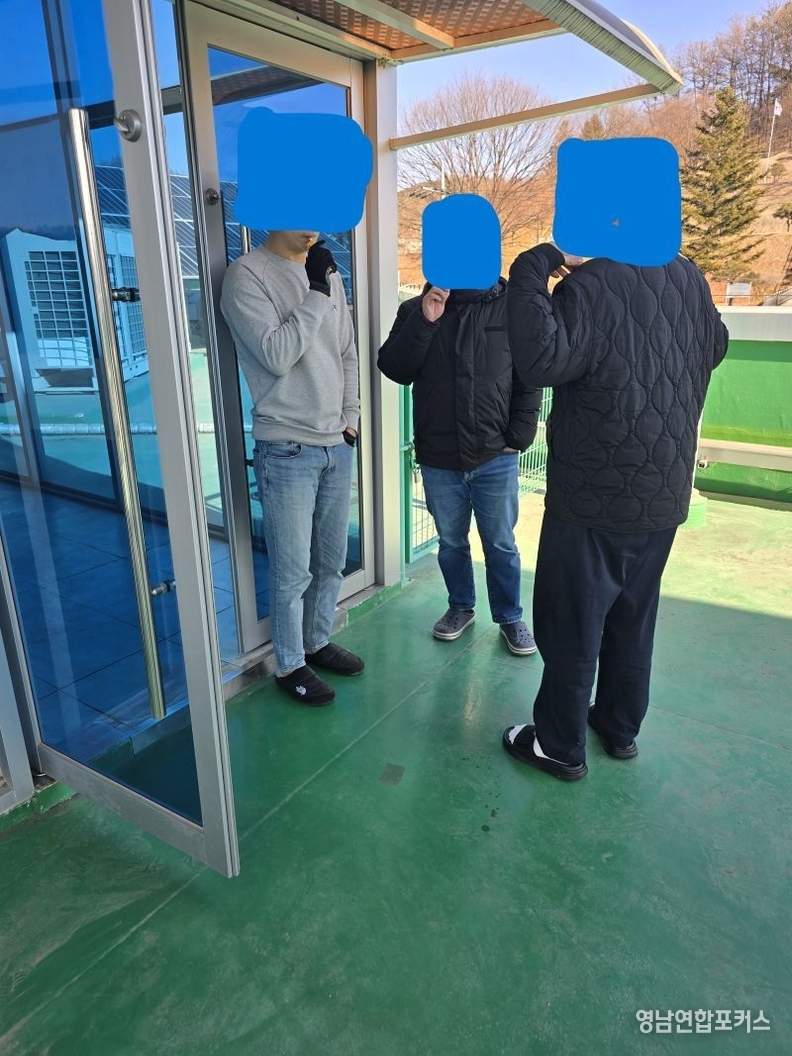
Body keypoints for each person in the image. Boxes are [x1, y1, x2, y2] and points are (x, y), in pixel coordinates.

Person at [502, 243, 728, 780]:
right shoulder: (690, 277)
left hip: (592, 498)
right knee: (633, 619)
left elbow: (539, 361)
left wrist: (534, 266)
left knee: (572, 626)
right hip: (663, 494)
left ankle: (559, 746)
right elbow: (715, 344)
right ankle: (619, 728)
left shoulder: (589, 286)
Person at [220, 231, 363, 706]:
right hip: (286, 447)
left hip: (336, 443)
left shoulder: (327, 272)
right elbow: (277, 355)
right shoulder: (246, 276)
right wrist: (316, 291)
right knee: (293, 570)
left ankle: (317, 641)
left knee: (331, 560)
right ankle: (289, 664)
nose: (313, 224)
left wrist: (351, 419)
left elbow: (346, 351)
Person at [378, 279, 542, 655]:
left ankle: (510, 616)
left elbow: (528, 377)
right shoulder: (415, 309)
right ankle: (460, 607)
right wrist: (426, 320)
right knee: (451, 542)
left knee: (500, 544)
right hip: (439, 455)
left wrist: (518, 435)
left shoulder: (511, 309)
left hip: (495, 455)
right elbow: (394, 367)